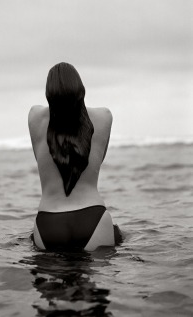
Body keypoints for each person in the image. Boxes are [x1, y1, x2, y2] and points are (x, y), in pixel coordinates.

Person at [28, 62, 122, 251]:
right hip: (93, 218)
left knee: (49, 275)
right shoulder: (104, 117)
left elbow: (39, 158)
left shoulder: (35, 117)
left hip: (48, 222)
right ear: (81, 90)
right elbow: (99, 159)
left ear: (49, 93)